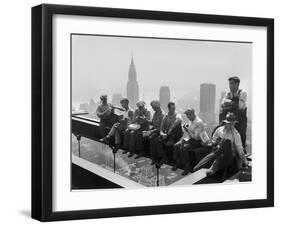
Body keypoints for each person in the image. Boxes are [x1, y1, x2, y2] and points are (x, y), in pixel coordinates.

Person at [194, 112, 248, 177]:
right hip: (217, 152)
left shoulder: (236, 134)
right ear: (226, 123)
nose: (231, 125)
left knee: (226, 142)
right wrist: (208, 143)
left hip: (228, 156)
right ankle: (214, 164)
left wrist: (245, 162)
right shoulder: (219, 130)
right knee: (196, 168)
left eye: (232, 124)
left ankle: (214, 166)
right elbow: (213, 141)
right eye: (229, 123)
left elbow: (240, 150)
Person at [172, 109, 209, 175]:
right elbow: (189, 135)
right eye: (187, 115)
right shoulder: (190, 122)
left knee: (184, 147)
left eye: (188, 115)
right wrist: (183, 140)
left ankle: (187, 166)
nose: (187, 117)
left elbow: (196, 137)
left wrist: (187, 130)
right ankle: (178, 162)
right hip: (191, 139)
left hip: (199, 141)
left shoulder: (199, 122)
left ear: (192, 114)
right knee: (176, 145)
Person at [220, 76, 247, 152]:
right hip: (230, 119)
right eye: (229, 84)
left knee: (241, 135)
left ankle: (242, 154)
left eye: (232, 83)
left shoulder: (242, 93)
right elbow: (222, 104)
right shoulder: (228, 94)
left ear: (237, 84)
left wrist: (229, 103)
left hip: (240, 120)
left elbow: (240, 106)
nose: (230, 86)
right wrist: (232, 103)